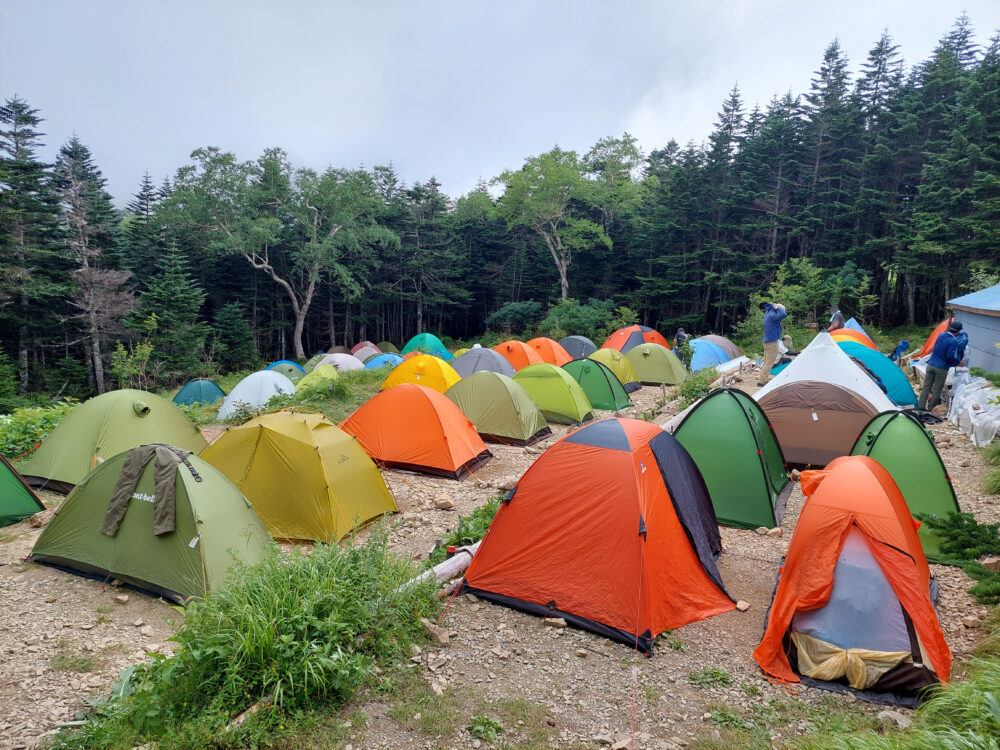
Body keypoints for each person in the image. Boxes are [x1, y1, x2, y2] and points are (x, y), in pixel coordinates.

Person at [917, 321, 965, 411]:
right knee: (936, 390)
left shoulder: (941, 335)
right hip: (941, 368)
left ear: (950, 328)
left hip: (930, 364)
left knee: (926, 387)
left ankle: (921, 407)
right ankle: (931, 409)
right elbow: (949, 356)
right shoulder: (953, 341)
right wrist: (958, 362)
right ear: (958, 332)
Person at [758, 302, 787, 386]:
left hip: (767, 341)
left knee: (766, 362)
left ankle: (763, 378)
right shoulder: (773, 315)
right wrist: (777, 308)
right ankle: (762, 381)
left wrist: (775, 308)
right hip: (772, 342)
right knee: (769, 363)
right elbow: (784, 314)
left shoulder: (768, 313)